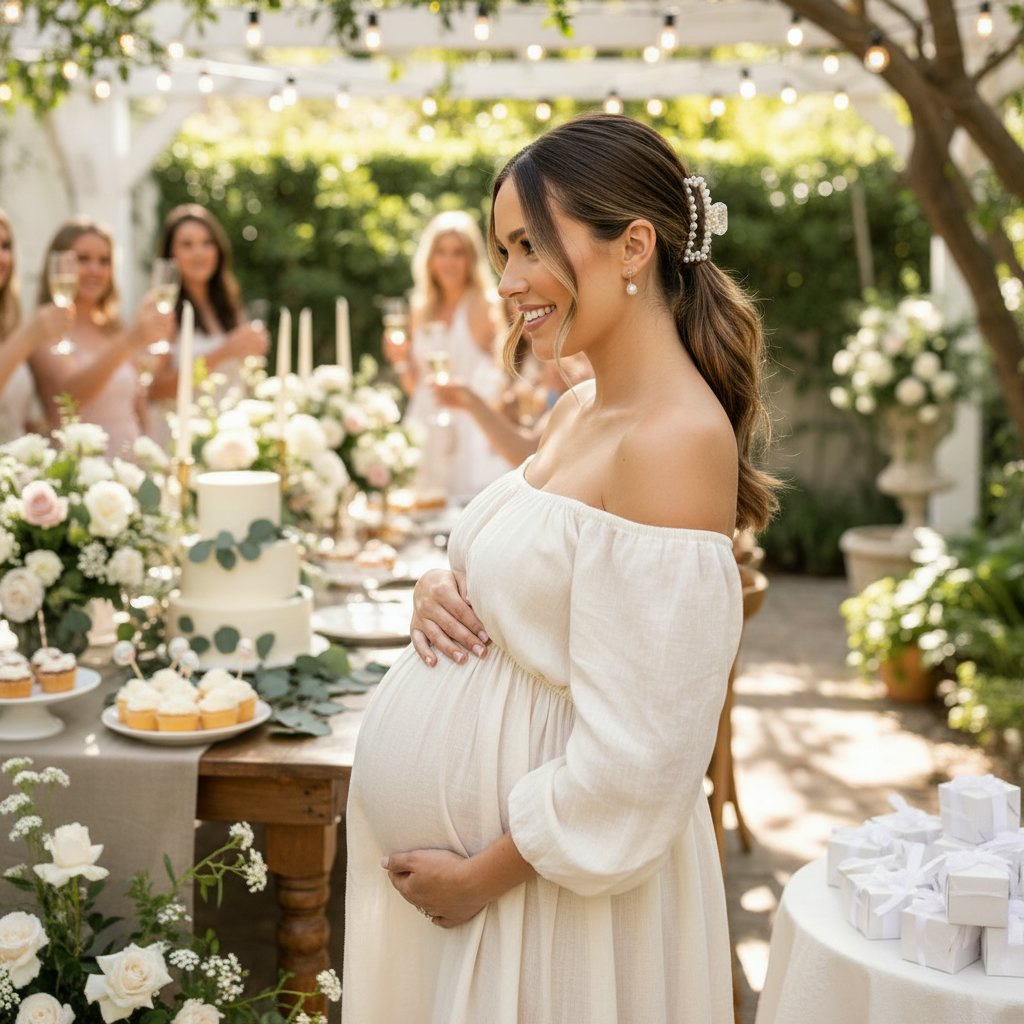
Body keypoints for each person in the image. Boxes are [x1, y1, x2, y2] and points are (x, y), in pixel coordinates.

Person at [342, 113, 780, 1023]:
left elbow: (648, 756)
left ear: (634, 246)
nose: (508, 282)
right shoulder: (581, 407)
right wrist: (440, 582)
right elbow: (521, 567)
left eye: (531, 246)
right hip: (503, 893)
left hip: (554, 904)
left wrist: (478, 878)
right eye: (505, 248)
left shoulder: (674, 441)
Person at [383, 209, 509, 503]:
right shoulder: (421, 307)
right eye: (441, 252)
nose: (449, 262)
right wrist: (400, 361)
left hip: (469, 435)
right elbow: (417, 388)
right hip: (425, 426)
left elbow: (500, 380)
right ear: (430, 258)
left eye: (458, 253)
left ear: (471, 259)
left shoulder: (482, 305)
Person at [28, 218, 171, 457]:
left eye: (104, 261)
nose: (95, 269)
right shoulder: (45, 329)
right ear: (58, 265)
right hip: (83, 466)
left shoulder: (113, 327)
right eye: (83, 259)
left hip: (130, 461)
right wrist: (130, 341)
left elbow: (138, 405)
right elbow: (69, 397)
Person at [147, 204, 269, 442]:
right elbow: (155, 390)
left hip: (229, 436)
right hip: (181, 439)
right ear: (171, 254)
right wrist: (225, 352)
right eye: (187, 244)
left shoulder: (227, 306)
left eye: (207, 243)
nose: (199, 253)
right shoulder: (163, 310)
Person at [430, 350, 592, 467]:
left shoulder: (568, 367)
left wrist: (472, 404)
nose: (518, 303)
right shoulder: (509, 360)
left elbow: (530, 452)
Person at [0, 209, 44, 443]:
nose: (2, 258)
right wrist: (28, 337)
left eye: (5, 246)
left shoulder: (10, 323)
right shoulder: (25, 334)